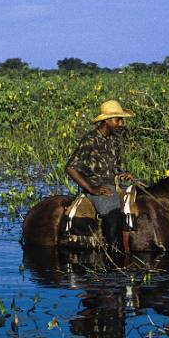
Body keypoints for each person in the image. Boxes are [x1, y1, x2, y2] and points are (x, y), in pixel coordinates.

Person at [65, 100, 136, 249]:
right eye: (118, 119)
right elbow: (70, 168)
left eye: (121, 119)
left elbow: (115, 168)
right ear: (107, 121)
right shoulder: (90, 140)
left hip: (115, 184)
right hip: (98, 187)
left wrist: (124, 174)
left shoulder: (114, 140)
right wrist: (92, 189)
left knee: (146, 189)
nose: (121, 123)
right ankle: (114, 250)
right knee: (113, 212)